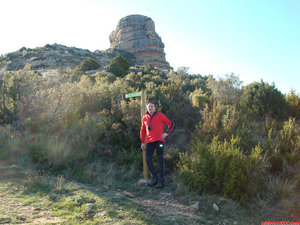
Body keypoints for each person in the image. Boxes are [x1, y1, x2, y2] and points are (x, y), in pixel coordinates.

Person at [140, 101, 174, 188]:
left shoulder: (160, 115)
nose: (150, 107)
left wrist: (166, 133)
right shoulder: (145, 118)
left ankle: (161, 181)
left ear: (155, 108)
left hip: (159, 141)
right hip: (150, 142)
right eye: (149, 106)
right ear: (147, 108)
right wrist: (143, 142)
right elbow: (143, 131)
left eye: (152, 106)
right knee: (148, 159)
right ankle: (154, 178)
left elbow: (171, 124)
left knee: (160, 160)